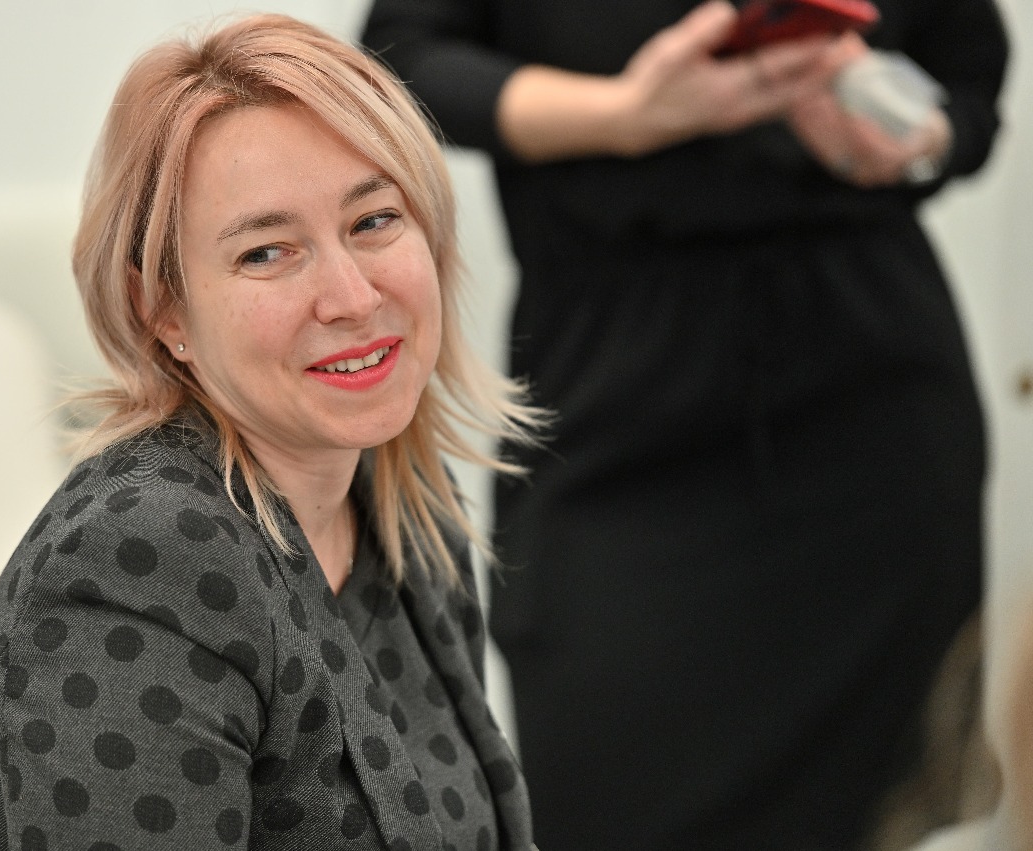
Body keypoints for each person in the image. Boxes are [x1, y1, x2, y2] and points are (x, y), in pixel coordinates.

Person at [361, 0, 1008, 848]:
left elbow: (968, 83)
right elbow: (402, 59)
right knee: (611, 779)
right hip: (613, 391)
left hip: (867, 399)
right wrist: (625, 117)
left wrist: (907, 137)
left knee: (878, 812)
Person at [0, 14, 543, 851]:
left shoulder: (402, 498)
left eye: (373, 221)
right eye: (266, 252)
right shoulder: (137, 566)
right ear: (164, 310)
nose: (353, 297)